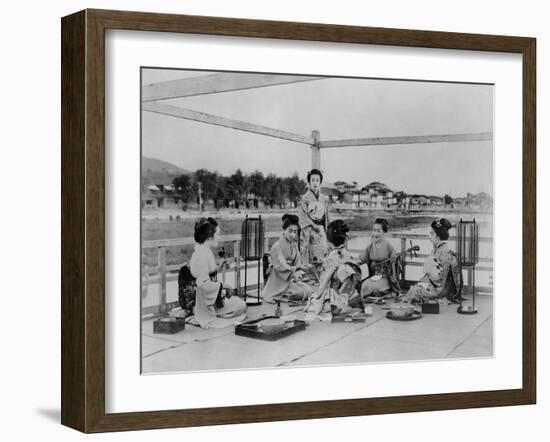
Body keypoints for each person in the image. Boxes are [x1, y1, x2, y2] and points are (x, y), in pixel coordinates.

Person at [190, 217, 247, 328]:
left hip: (211, 298)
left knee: (239, 304)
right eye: (217, 234)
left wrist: (219, 268)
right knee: (241, 305)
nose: (219, 237)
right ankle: (209, 313)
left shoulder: (203, 251)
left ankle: (217, 312)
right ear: (209, 235)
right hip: (205, 302)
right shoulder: (201, 255)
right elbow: (204, 285)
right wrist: (226, 286)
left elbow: (207, 274)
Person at [305, 220, 362, 318]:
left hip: (336, 296)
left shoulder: (331, 258)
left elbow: (325, 281)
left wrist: (318, 295)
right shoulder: (347, 254)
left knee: (314, 301)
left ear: (328, 241)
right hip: (351, 294)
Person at [401, 218, 457, 303]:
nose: (429, 236)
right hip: (435, 284)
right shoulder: (437, 250)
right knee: (414, 289)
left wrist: (427, 281)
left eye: (432, 234)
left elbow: (439, 278)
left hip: (439, 289)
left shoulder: (442, 252)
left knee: (414, 291)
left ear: (438, 236)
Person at [261, 214, 314, 303]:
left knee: (309, 290)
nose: (292, 234)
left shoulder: (294, 245)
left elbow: (297, 263)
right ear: (284, 230)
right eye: (290, 231)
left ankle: (287, 295)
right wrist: (298, 268)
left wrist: (300, 271)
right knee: (300, 292)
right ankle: (280, 295)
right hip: (278, 281)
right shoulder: (276, 247)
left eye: (295, 231)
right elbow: (282, 266)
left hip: (290, 279)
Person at [359, 218, 397, 298]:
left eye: (378, 231)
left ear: (384, 232)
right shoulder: (370, 246)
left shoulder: (389, 247)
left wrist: (395, 289)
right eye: (374, 230)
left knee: (368, 287)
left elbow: (393, 269)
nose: (375, 234)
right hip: (373, 277)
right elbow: (362, 260)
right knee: (363, 286)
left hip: (385, 279)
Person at [298, 168, 329, 264]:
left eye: (317, 180)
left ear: (320, 182)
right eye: (313, 180)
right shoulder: (305, 198)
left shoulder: (324, 198)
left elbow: (327, 216)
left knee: (323, 260)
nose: (315, 183)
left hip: (320, 230)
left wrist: (326, 229)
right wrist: (313, 225)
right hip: (309, 231)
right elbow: (302, 215)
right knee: (311, 260)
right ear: (309, 182)